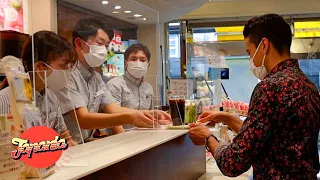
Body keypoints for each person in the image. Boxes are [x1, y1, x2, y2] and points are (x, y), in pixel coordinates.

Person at [188, 14, 320, 179]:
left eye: (250, 52)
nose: (251, 59)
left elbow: (233, 163)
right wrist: (226, 117)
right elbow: (266, 137)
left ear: (264, 45)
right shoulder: (308, 86)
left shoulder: (269, 88)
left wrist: (208, 138)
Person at [53, 18, 171, 144]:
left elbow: (114, 109)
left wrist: (148, 114)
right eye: (100, 44)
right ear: (80, 44)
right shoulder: (66, 75)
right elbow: (83, 119)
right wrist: (132, 117)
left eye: (106, 46)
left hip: (84, 144)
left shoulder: (96, 78)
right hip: (65, 148)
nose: (104, 51)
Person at [0, 30, 76, 146]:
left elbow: (65, 138)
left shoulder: (51, 97)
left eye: (69, 66)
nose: (67, 71)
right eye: (62, 66)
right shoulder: (5, 99)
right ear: (40, 66)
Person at [106, 43, 154, 130]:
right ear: (125, 63)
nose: (138, 63)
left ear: (148, 65)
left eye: (142, 60)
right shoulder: (114, 85)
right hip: (121, 137)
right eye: (133, 59)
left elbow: (150, 116)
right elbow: (112, 117)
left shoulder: (148, 88)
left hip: (145, 136)